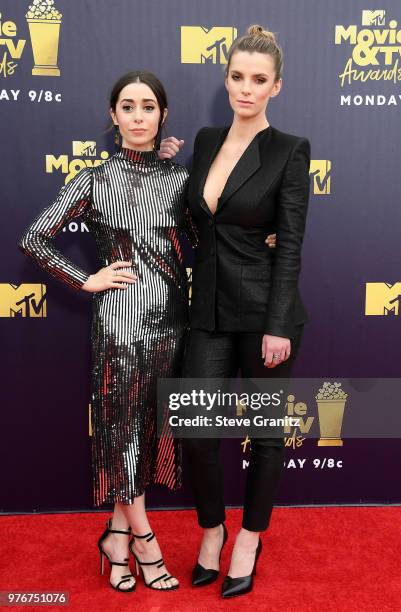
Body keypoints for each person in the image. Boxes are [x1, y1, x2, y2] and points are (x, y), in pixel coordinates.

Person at [18, 71, 192, 593]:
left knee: (144, 432)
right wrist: (85, 279)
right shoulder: (95, 179)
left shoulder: (180, 180)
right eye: (128, 107)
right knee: (122, 434)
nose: (138, 116)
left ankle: (115, 537)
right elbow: (35, 238)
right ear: (113, 117)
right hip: (118, 325)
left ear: (162, 116)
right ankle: (144, 540)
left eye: (148, 107)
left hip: (172, 325)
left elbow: (211, 239)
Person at [160, 24, 311, 598]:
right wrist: (170, 159)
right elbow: (199, 212)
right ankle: (211, 529)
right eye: (237, 77)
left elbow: (291, 242)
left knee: (266, 436)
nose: (245, 89)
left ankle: (249, 538)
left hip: (266, 313)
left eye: (258, 80)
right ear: (226, 79)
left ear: (276, 86)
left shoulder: (290, 150)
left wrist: (277, 325)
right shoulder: (203, 140)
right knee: (198, 431)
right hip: (209, 310)